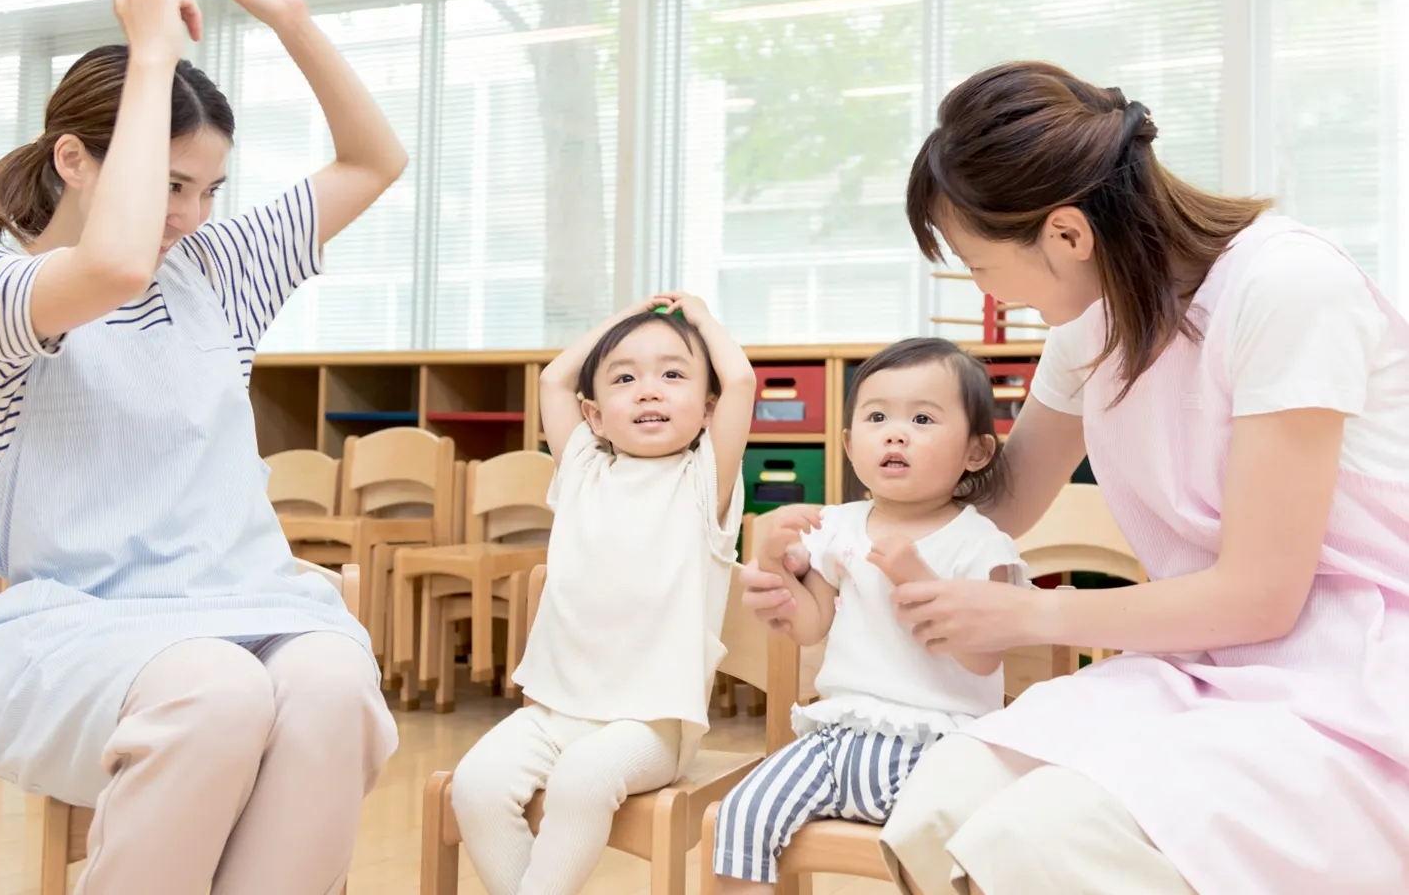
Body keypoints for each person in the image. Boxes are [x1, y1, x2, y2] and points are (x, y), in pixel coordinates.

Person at [740, 60, 1409, 895]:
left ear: (1065, 234)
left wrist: (1025, 613)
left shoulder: (1286, 288)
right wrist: (830, 537)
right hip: (1200, 664)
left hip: (1354, 669)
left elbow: (1263, 597)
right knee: (937, 807)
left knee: (1043, 838)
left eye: (980, 264)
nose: (984, 290)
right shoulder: (1092, 323)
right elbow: (1002, 500)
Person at [0, 0, 407, 895]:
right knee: (215, 692)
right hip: (80, 634)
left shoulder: (217, 273)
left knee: (330, 689)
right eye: (171, 183)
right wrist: (150, 56)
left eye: (208, 190)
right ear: (76, 159)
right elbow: (110, 265)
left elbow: (371, 160)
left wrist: (294, 22)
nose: (188, 214)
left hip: (250, 601)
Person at [448, 293, 755, 895]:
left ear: (707, 407)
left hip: (652, 726)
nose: (648, 390)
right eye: (625, 378)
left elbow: (741, 378)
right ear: (593, 415)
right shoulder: (584, 470)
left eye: (673, 374)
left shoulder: (704, 483)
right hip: (555, 711)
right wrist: (623, 318)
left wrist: (698, 317)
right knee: (475, 785)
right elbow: (556, 379)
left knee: (581, 781)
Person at [710, 337, 1028, 893]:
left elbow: (982, 658)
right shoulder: (839, 525)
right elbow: (810, 625)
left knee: (962, 849)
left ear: (976, 452)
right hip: (836, 738)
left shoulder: (982, 544)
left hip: (943, 749)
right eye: (877, 417)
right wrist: (775, 562)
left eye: (923, 418)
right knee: (741, 816)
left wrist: (920, 582)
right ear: (851, 445)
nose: (895, 433)